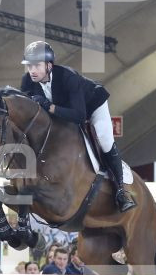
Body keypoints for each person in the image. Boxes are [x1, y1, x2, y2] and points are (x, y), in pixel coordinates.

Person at [19, 40, 136, 213]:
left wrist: (50, 107)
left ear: (49, 65)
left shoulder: (68, 77)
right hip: (62, 112)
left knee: (104, 139)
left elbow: (79, 115)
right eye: (29, 66)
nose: (32, 71)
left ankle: (121, 191)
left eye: (37, 65)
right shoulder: (28, 82)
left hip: (92, 105)